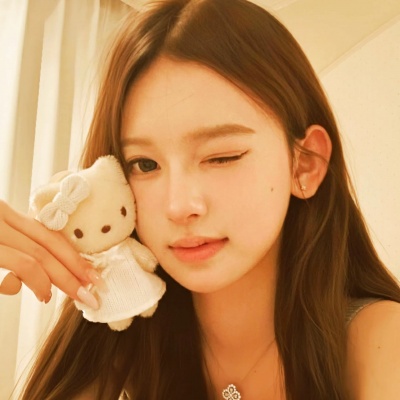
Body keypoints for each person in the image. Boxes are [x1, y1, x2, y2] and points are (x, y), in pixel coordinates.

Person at [1, 0, 400, 398]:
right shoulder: (129, 337)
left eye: (221, 157)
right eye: (144, 164)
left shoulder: (381, 343)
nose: (178, 206)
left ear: (305, 165)